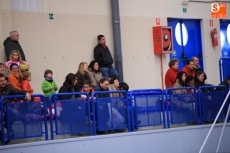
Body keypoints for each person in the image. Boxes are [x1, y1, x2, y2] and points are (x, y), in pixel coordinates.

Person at [0, 74, 31, 142]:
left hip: (7, 107)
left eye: (4, 80)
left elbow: (17, 91)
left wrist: (26, 92)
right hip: (1, 108)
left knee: (15, 113)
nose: (3, 82)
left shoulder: (8, 87)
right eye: (1, 81)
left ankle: (8, 126)